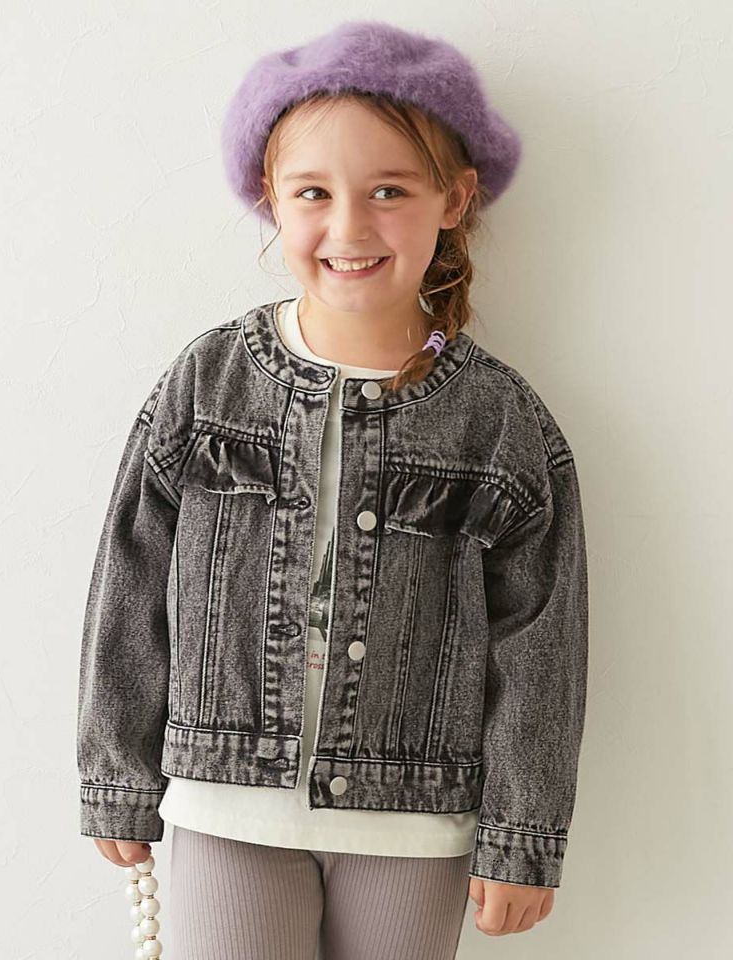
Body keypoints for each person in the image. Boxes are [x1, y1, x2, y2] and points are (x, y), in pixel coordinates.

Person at [76, 19, 590, 960]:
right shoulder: (209, 383)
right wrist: (116, 771)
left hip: (414, 819)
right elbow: (131, 577)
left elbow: (542, 641)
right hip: (227, 804)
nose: (350, 227)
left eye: (389, 190)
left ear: (454, 199)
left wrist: (523, 834)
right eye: (313, 192)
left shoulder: (497, 420)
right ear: (269, 197)